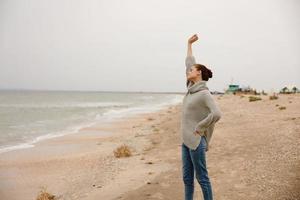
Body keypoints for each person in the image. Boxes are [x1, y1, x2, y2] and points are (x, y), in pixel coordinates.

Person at [180, 34, 222, 200]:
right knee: (187, 179)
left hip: (196, 142)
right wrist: (189, 44)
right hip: (185, 140)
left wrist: (200, 127)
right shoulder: (191, 87)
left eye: (191, 70)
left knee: (202, 178)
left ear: (198, 74)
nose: (188, 71)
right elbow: (189, 63)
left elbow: (217, 114)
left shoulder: (204, 93)